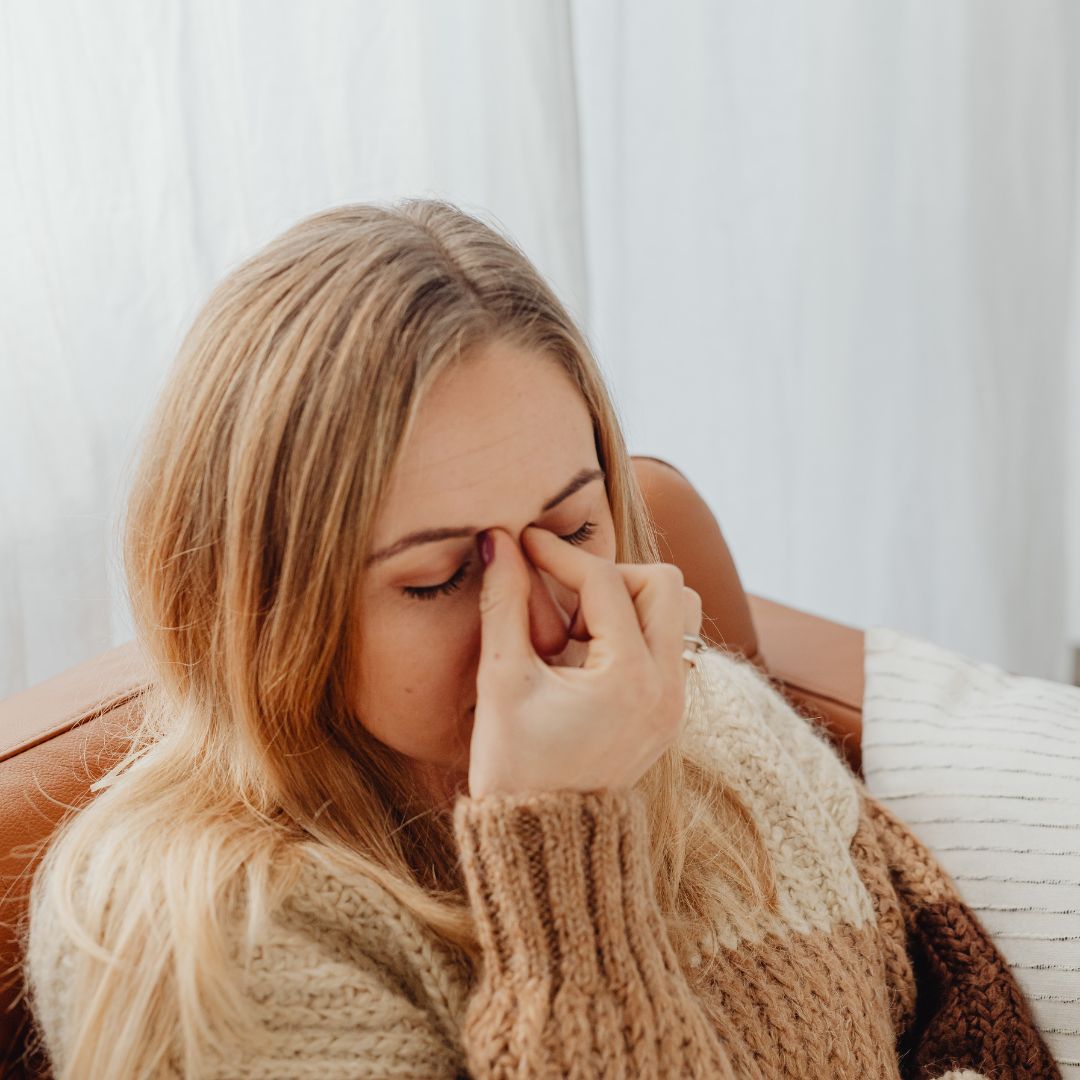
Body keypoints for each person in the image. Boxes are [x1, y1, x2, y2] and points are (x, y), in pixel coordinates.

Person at [23, 200, 1057, 1079]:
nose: (547, 617)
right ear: (266, 608)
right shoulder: (194, 940)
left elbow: (959, 1001)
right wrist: (560, 842)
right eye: (440, 578)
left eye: (572, 531)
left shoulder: (716, 721)